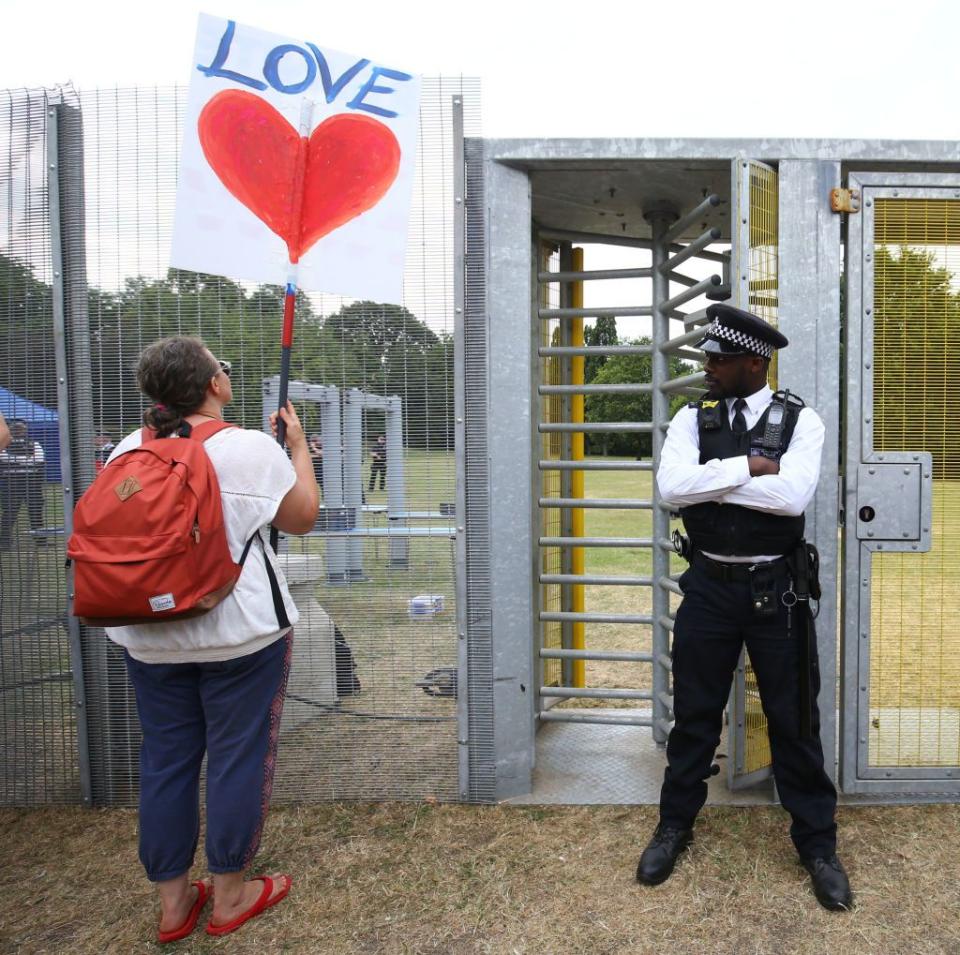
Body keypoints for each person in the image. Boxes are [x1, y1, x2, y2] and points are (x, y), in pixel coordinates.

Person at [103, 336, 319, 942]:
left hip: (147, 635)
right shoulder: (248, 448)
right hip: (240, 635)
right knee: (236, 755)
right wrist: (297, 448)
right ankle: (229, 895)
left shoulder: (126, 450)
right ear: (214, 385)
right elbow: (302, 516)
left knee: (166, 760)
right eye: (221, 368)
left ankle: (174, 905)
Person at [636, 304, 851, 912]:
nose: (707, 366)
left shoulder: (800, 419)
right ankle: (674, 826)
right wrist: (750, 465)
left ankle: (818, 846)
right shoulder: (690, 417)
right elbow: (671, 490)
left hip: (775, 590)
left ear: (753, 363)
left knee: (794, 720)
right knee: (695, 715)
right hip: (707, 588)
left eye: (718, 359)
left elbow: (790, 498)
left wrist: (715, 476)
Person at [0, 418, 46, 548]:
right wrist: (26, 459)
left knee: (36, 510)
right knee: (10, 512)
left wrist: (15, 460)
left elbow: (39, 459)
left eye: (22, 428)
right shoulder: (4, 443)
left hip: (32, 482)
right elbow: (3, 458)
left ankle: (40, 541)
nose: (19, 430)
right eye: (16, 428)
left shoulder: (33, 443)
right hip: (12, 482)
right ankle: (5, 541)